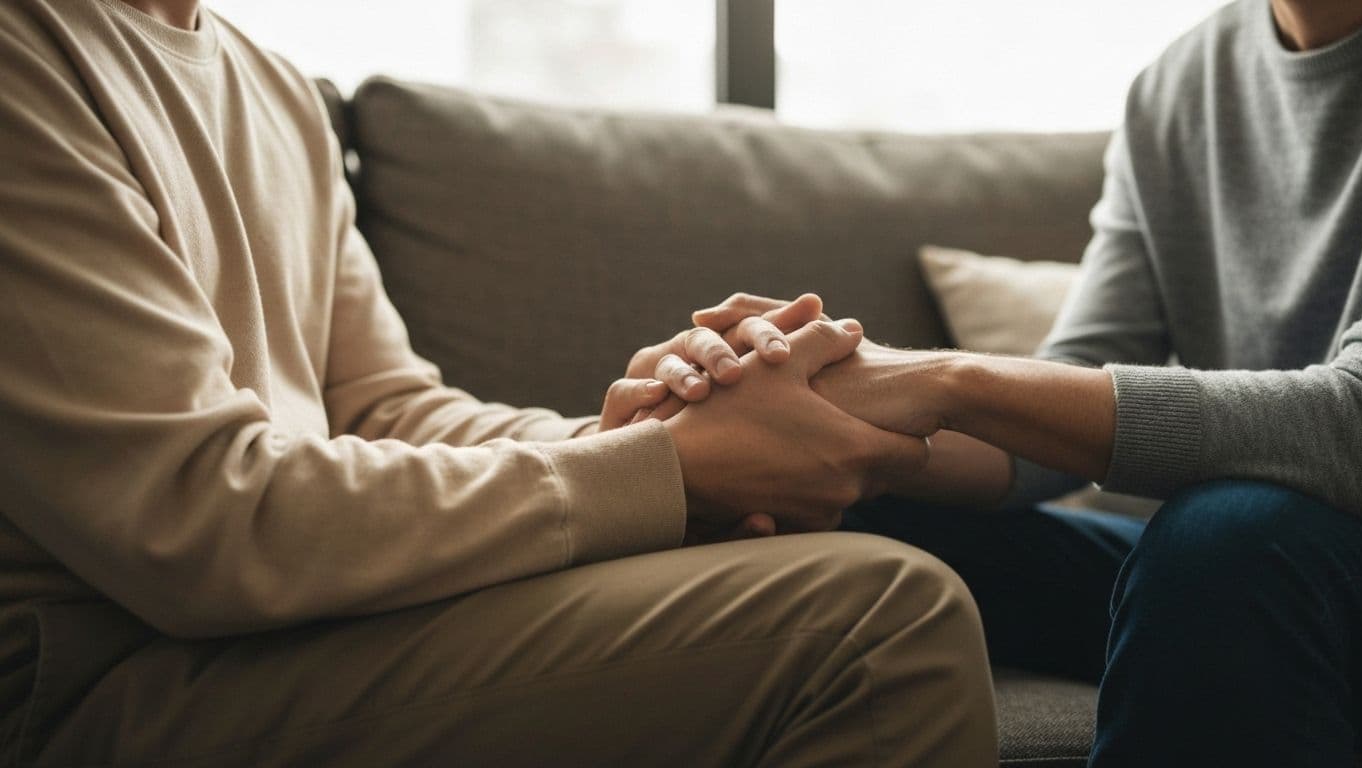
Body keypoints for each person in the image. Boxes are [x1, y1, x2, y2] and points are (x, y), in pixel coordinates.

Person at [0, 1, 1003, 765]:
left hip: (273, 633)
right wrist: (669, 474)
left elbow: (386, 408)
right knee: (876, 617)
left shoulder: (265, 82)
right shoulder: (26, 60)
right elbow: (199, 523)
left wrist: (638, 435)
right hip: (89, 682)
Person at [680, 0, 1362, 764]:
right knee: (838, 502)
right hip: (1257, 583)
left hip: (1297, 569)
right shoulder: (1181, 85)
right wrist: (816, 410)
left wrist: (947, 380)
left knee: (1228, 542)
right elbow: (1052, 420)